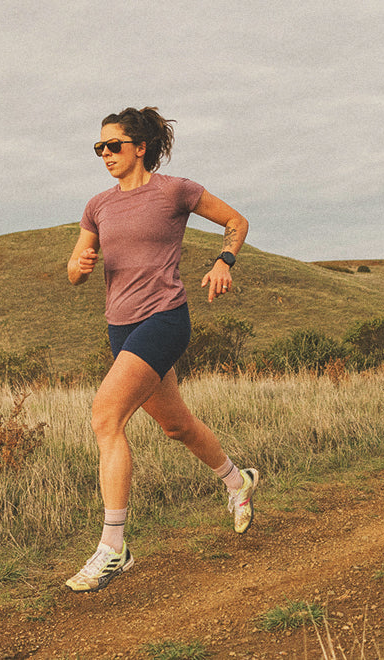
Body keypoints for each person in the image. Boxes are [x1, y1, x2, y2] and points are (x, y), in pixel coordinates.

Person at [65, 106, 258, 592]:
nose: (105, 154)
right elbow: (72, 269)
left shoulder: (175, 190)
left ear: (140, 147)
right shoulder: (97, 205)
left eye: (114, 146)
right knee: (176, 425)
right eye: (98, 148)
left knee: (106, 417)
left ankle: (114, 546)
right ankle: (238, 482)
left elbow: (236, 220)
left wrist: (224, 261)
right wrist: (81, 266)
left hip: (165, 318)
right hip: (119, 327)